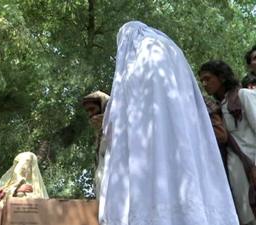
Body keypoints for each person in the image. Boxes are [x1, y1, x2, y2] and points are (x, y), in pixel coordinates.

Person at [99, 21, 239, 225]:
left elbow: (119, 117)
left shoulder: (135, 59)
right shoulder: (169, 51)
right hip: (183, 145)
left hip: (147, 148)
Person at [199, 60, 256, 225]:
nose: (204, 83)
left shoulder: (243, 96)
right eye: (202, 80)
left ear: (222, 77)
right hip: (238, 175)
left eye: (208, 78)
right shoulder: (217, 108)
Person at [82, 90, 110, 198]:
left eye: (92, 109)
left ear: (103, 107)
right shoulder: (99, 134)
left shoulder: (118, 129)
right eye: (87, 111)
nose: (90, 114)